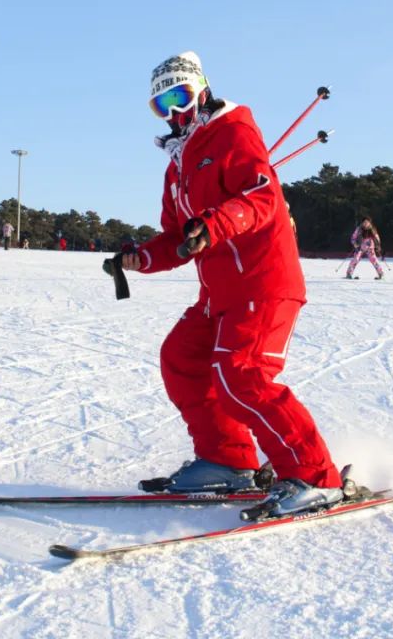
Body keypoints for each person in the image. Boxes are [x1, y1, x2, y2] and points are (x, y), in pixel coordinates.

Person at [120, 51, 342, 516]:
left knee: (240, 373)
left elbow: (262, 197)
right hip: (220, 291)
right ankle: (226, 459)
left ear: (202, 90)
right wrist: (140, 257)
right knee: (182, 358)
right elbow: (177, 238)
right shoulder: (178, 164)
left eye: (180, 97)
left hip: (263, 279)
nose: (175, 113)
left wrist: (216, 223)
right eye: (162, 106)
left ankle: (314, 474)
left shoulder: (232, 133)